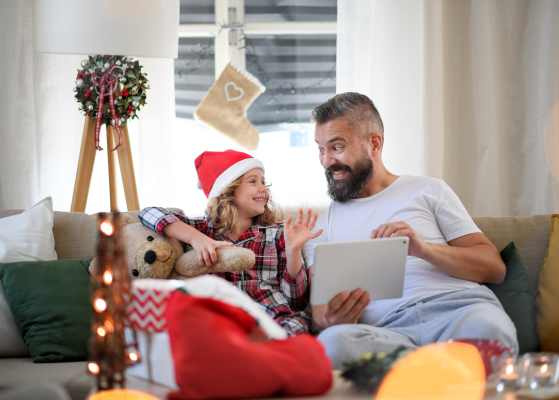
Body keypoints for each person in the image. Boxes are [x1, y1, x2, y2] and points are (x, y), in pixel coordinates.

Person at [302, 92, 518, 368]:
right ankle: (445, 368)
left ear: (374, 144)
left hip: (460, 312)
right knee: (333, 344)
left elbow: (495, 269)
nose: (326, 161)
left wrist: (424, 249)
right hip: (388, 332)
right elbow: (320, 313)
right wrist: (331, 318)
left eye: (337, 147)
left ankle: (418, 372)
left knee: (490, 331)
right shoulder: (319, 225)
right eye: (321, 149)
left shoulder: (428, 190)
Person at [139, 150, 322, 335]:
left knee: (297, 328)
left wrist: (293, 252)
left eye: (263, 182)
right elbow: (149, 213)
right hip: (222, 316)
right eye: (253, 181)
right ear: (227, 190)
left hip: (271, 315)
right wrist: (196, 238)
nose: (263, 188)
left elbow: (295, 301)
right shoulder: (204, 229)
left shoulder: (278, 233)